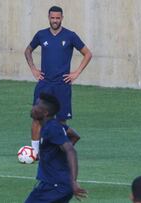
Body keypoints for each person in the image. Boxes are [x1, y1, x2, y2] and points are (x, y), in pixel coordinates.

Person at [24, 5, 92, 154]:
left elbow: (87, 53)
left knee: (60, 122)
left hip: (62, 85)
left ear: (62, 18)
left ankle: (62, 147)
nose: (55, 20)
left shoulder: (70, 36)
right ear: (49, 18)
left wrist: (76, 73)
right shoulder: (41, 35)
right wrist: (34, 69)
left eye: (57, 18)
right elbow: (28, 50)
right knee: (37, 118)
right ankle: (35, 153)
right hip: (44, 85)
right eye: (52, 18)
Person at [25, 93, 87, 203]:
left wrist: (73, 180)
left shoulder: (52, 128)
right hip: (58, 185)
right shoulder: (55, 126)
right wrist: (58, 154)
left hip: (54, 186)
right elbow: (74, 136)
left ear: (45, 113)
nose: (33, 108)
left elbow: (70, 150)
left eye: (37, 106)